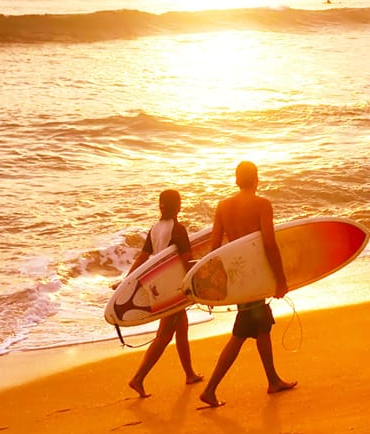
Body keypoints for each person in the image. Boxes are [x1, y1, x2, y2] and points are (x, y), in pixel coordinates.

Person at [198, 162, 297, 407]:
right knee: (241, 333)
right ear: (257, 180)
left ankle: (273, 380)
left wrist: (211, 286)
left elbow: (214, 248)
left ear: (236, 180)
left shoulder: (223, 206)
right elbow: (269, 243)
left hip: (236, 275)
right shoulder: (262, 204)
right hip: (254, 275)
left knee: (261, 327)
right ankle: (210, 389)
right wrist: (280, 279)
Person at [126, 189, 204, 398]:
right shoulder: (178, 229)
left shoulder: (155, 229)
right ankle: (138, 378)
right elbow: (187, 259)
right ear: (177, 205)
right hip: (173, 288)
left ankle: (189, 373)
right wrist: (196, 284)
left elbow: (143, 257)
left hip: (157, 287)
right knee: (164, 335)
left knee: (182, 327)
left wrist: (127, 279)